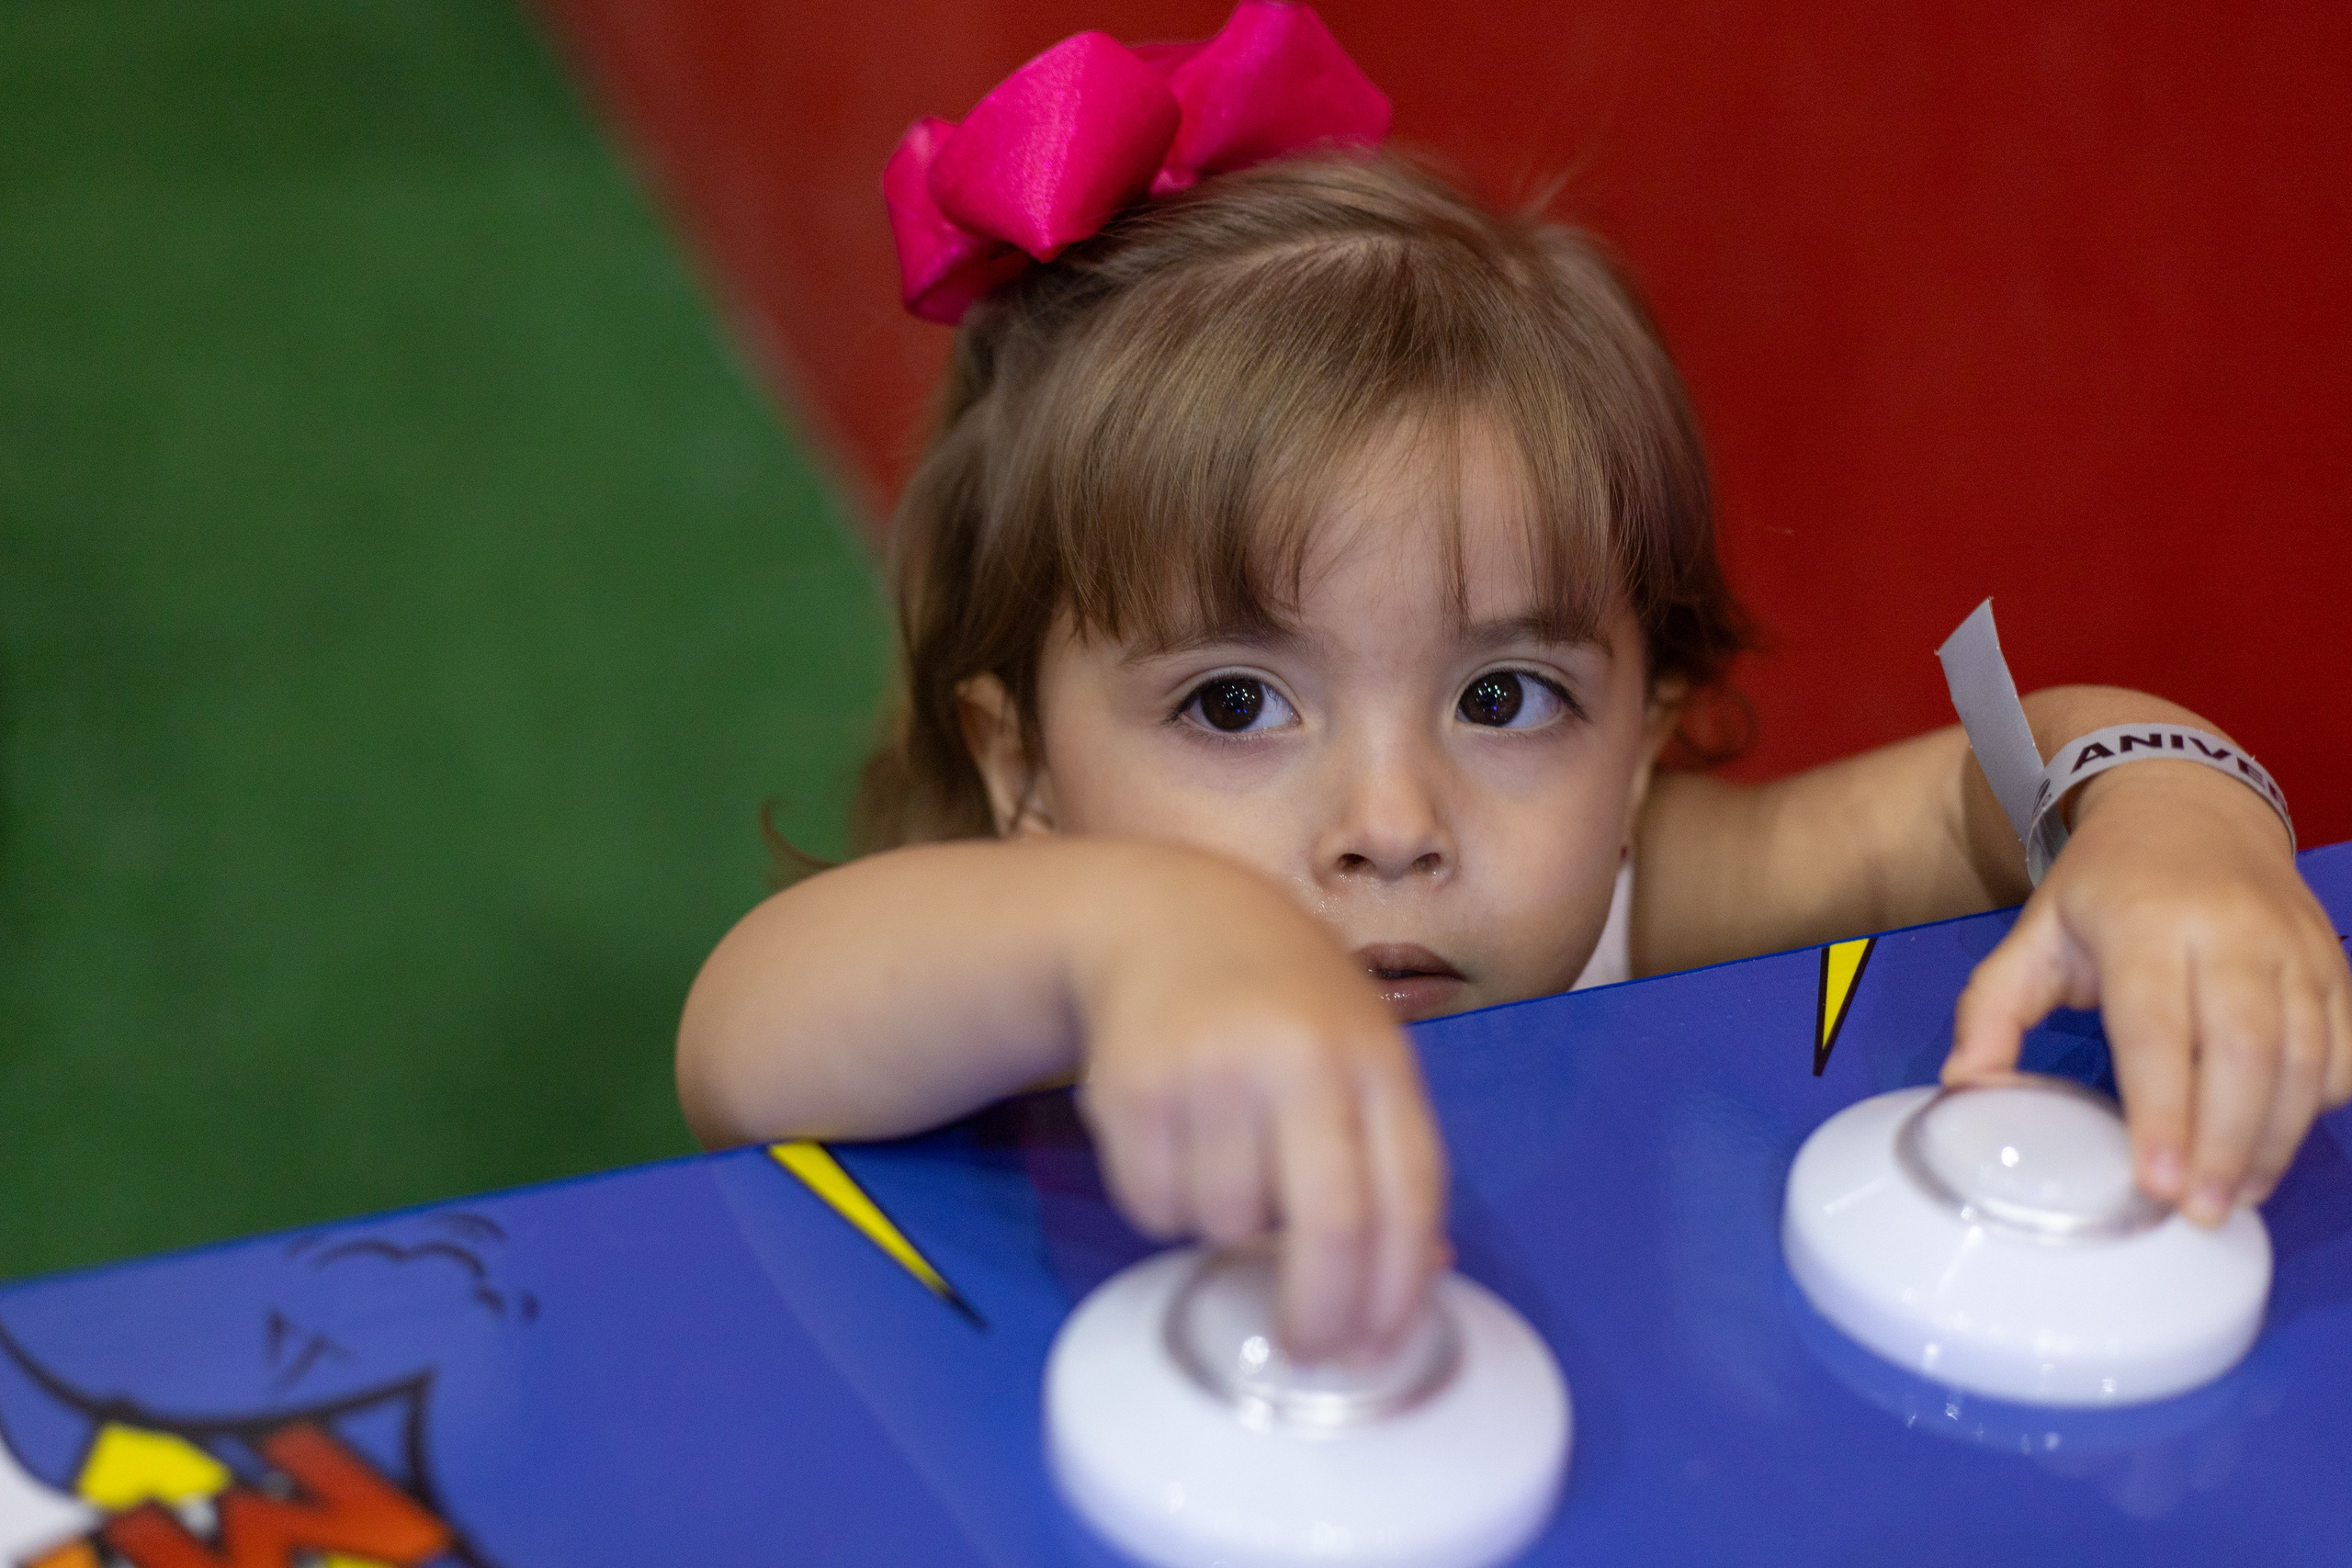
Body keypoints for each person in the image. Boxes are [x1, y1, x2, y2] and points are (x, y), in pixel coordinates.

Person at [676, 4, 2351, 1362]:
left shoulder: (1625, 902)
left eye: (1502, 701)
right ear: (1021, 765)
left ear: (1637, 740)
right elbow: (745, 1039)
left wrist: (2171, 819)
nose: (1393, 824)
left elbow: (1985, 779)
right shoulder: (1000, 980)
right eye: (1236, 706)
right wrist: (1128, 950)